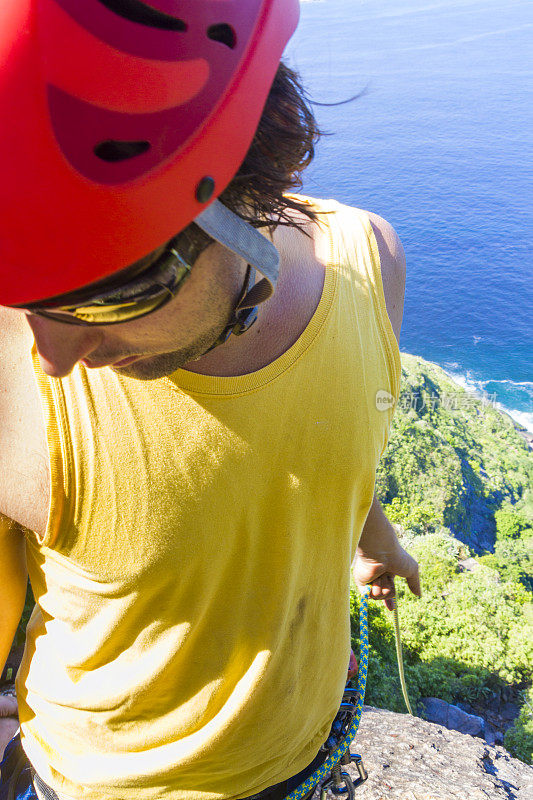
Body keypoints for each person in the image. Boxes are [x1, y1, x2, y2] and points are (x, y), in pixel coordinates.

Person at [0, 1, 420, 798]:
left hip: (303, 747)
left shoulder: (371, 266)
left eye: (113, 294)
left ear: (247, 193)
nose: (53, 358)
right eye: (20, 297)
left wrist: (369, 534)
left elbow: (329, 440)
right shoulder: (8, 376)